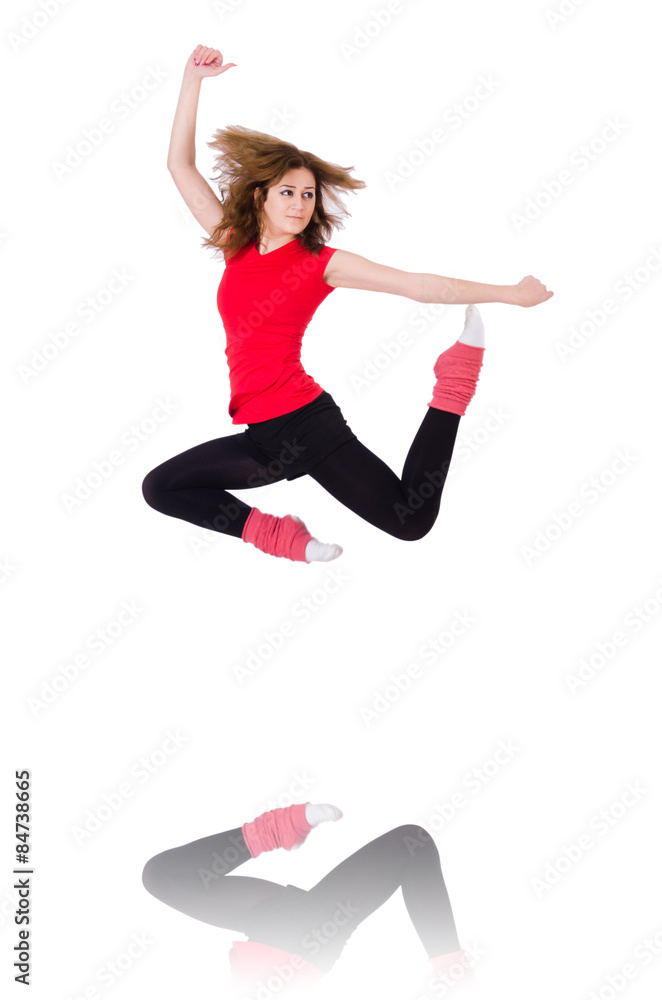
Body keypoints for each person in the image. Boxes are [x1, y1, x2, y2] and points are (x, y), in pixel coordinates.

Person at [142, 44, 553, 563]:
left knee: (410, 520)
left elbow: (417, 285)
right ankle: (279, 536)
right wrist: (191, 80)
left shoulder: (320, 261)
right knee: (161, 488)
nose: (299, 204)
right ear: (260, 197)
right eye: (287, 192)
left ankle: (455, 383)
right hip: (261, 436)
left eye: (308, 195)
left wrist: (508, 294)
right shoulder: (234, 242)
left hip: (305, 424)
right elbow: (179, 165)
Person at [141, 801, 478, 996]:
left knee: (161, 876)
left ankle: (281, 828)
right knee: (412, 842)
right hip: (299, 944)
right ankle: (455, 976)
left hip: (269, 930)